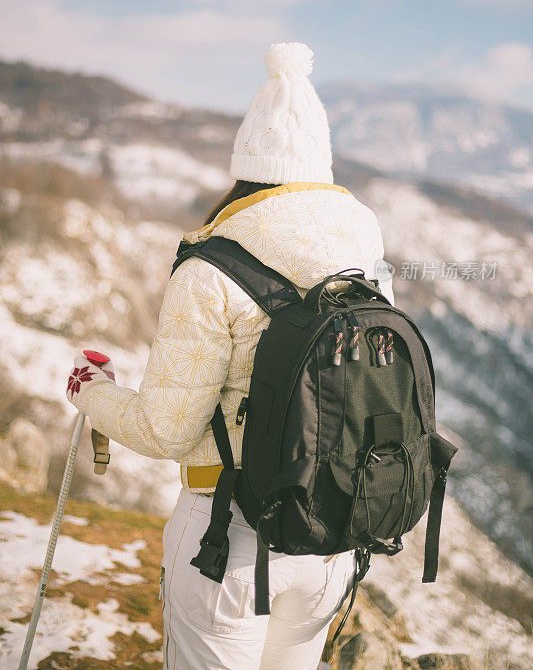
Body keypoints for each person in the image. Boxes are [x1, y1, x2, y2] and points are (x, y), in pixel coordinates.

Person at [66, 41, 394, 670]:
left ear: (245, 162)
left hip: (229, 538)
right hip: (332, 536)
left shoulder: (212, 264)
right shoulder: (363, 247)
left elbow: (168, 428)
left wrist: (90, 391)